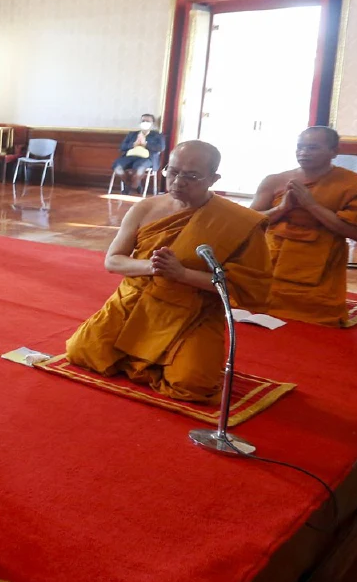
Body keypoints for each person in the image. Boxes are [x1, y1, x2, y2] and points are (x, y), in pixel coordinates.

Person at [66, 141, 271, 402]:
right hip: (135, 301)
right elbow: (113, 261)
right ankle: (148, 363)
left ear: (213, 178)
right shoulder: (145, 208)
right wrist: (152, 267)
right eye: (172, 172)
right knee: (82, 352)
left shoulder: (238, 222)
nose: (178, 181)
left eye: (191, 175)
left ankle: (158, 361)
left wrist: (182, 274)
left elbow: (247, 287)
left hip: (194, 310)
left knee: (192, 384)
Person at [250, 126, 357, 327]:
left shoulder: (354, 185)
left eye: (312, 148)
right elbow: (251, 221)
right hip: (271, 257)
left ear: (334, 151)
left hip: (319, 262)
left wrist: (312, 206)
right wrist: (282, 209)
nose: (303, 153)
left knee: (318, 316)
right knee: (249, 301)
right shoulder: (274, 180)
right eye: (300, 147)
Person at [112, 114, 165, 193]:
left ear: (152, 123)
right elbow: (122, 147)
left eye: (147, 121)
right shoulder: (132, 134)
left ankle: (129, 188)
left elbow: (161, 148)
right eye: (143, 121)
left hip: (147, 158)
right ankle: (135, 185)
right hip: (130, 156)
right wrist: (133, 144)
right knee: (117, 166)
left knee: (139, 168)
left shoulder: (157, 135)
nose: (145, 123)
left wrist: (145, 144)